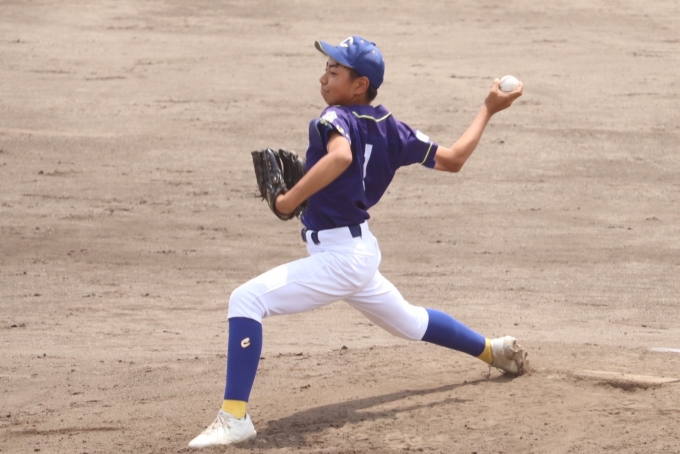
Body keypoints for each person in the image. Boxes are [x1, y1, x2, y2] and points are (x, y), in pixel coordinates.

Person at [188, 36, 525, 449]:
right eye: (326, 69)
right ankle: (493, 350)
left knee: (246, 300)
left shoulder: (334, 117)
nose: (324, 78)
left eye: (334, 71)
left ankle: (234, 418)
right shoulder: (393, 128)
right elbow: (454, 159)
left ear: (360, 84)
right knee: (411, 322)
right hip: (357, 252)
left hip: (341, 259)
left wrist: (289, 200)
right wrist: (488, 109)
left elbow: (342, 157)